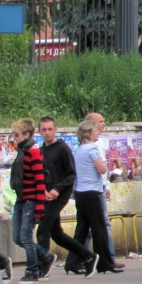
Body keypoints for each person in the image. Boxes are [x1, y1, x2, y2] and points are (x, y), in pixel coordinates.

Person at [37, 116, 97, 274]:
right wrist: (43, 190)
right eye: (44, 130)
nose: (47, 133)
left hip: (60, 195)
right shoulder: (41, 150)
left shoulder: (62, 148)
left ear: (55, 130)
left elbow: (71, 174)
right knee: (56, 234)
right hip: (47, 196)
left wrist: (57, 189)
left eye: (50, 129)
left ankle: (42, 266)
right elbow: (41, 175)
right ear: (39, 132)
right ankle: (88, 256)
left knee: (42, 230)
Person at [71, 118, 118, 275]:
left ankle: (73, 261)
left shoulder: (79, 149)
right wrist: (106, 166)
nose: (98, 133)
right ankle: (104, 262)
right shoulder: (92, 148)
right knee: (99, 229)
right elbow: (102, 169)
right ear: (89, 134)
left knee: (82, 229)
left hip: (81, 192)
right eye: (95, 131)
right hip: (93, 192)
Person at [10, 118, 52, 283]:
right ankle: (45, 256)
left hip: (31, 199)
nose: (14, 138)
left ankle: (33, 270)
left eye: (17, 135)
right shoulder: (22, 150)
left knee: (26, 236)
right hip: (21, 199)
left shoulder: (33, 151)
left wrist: (40, 205)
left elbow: (40, 180)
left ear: (27, 134)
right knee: (17, 237)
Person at [85, 111, 120, 267]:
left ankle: (83, 256)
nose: (103, 124)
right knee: (100, 224)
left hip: (100, 187)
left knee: (90, 225)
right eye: (100, 121)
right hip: (94, 189)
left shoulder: (98, 142)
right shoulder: (90, 145)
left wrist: (106, 185)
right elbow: (100, 168)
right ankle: (109, 257)